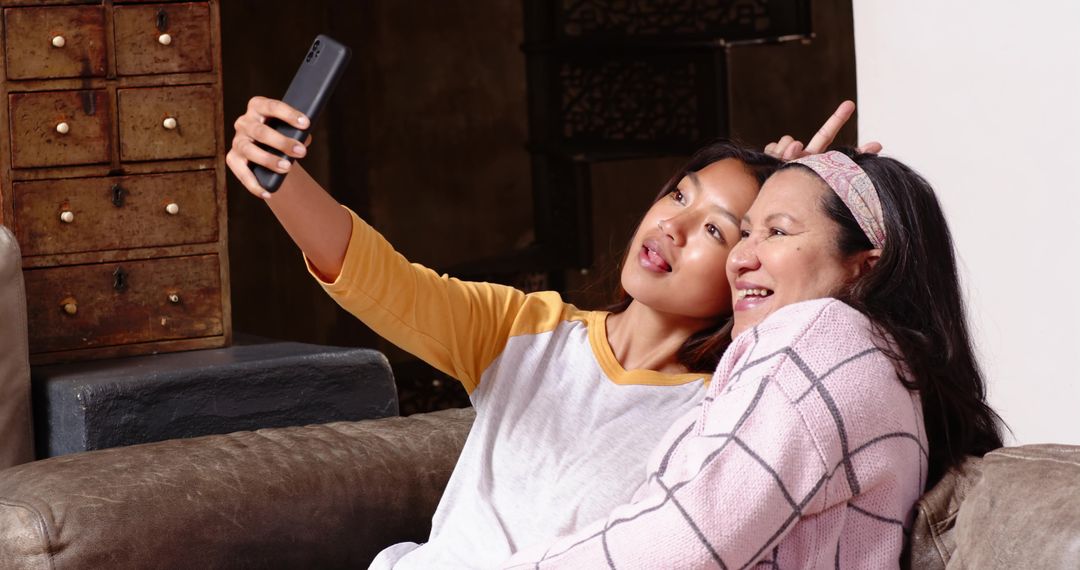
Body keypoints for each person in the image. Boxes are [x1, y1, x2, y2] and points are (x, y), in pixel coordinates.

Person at [229, 97, 867, 567]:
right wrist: (280, 179)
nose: (671, 227)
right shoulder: (526, 330)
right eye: (678, 197)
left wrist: (802, 232)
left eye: (715, 230)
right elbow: (382, 280)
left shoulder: (724, 413)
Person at [502, 149, 1004, 568]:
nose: (740, 258)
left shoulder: (823, 335)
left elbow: (683, 536)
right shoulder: (884, 365)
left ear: (865, 267)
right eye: (744, 232)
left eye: (778, 233)